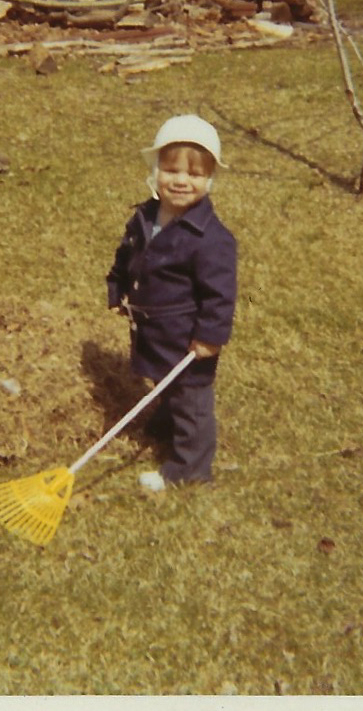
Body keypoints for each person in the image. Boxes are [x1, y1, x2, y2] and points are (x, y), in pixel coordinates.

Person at [107, 115, 238, 491]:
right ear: (155, 171)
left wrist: (210, 337)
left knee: (190, 397)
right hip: (154, 328)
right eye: (171, 170)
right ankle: (167, 424)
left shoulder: (211, 239)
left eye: (194, 174)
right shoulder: (145, 217)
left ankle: (190, 467)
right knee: (164, 380)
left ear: (210, 179)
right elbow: (127, 256)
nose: (181, 181)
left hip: (187, 336)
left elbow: (220, 295)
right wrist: (118, 289)